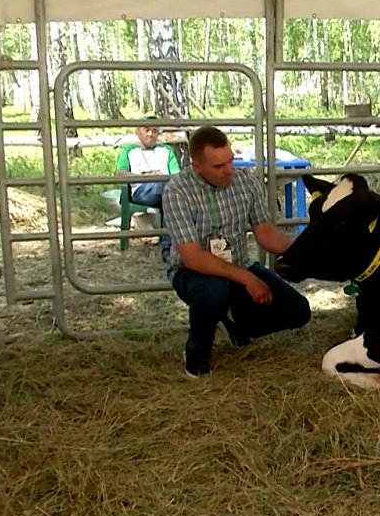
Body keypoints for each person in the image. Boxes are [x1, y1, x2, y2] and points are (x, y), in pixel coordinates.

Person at [161, 125, 311, 379]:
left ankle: (235, 323)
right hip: (192, 271)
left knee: (298, 311)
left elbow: (266, 234)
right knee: (213, 293)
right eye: (218, 167)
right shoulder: (176, 191)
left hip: (238, 263)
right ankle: (196, 357)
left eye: (230, 161)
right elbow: (192, 257)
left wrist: (308, 252)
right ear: (196, 166)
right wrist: (248, 278)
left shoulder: (245, 181)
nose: (229, 170)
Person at [115, 114, 180, 256]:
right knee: (170, 191)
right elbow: (120, 174)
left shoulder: (166, 150)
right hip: (142, 191)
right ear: (138, 131)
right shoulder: (130, 150)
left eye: (155, 130)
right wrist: (144, 177)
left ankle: (170, 246)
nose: (150, 134)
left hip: (167, 189)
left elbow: (176, 175)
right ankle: (168, 247)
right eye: (147, 129)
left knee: (172, 193)